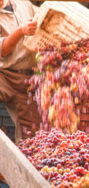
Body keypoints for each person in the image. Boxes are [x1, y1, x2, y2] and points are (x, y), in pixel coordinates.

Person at [0, 0, 41, 143]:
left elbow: (42, 18)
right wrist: (20, 31)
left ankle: (22, 163)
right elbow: (2, 50)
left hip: (26, 78)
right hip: (3, 74)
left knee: (30, 136)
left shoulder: (23, 4)